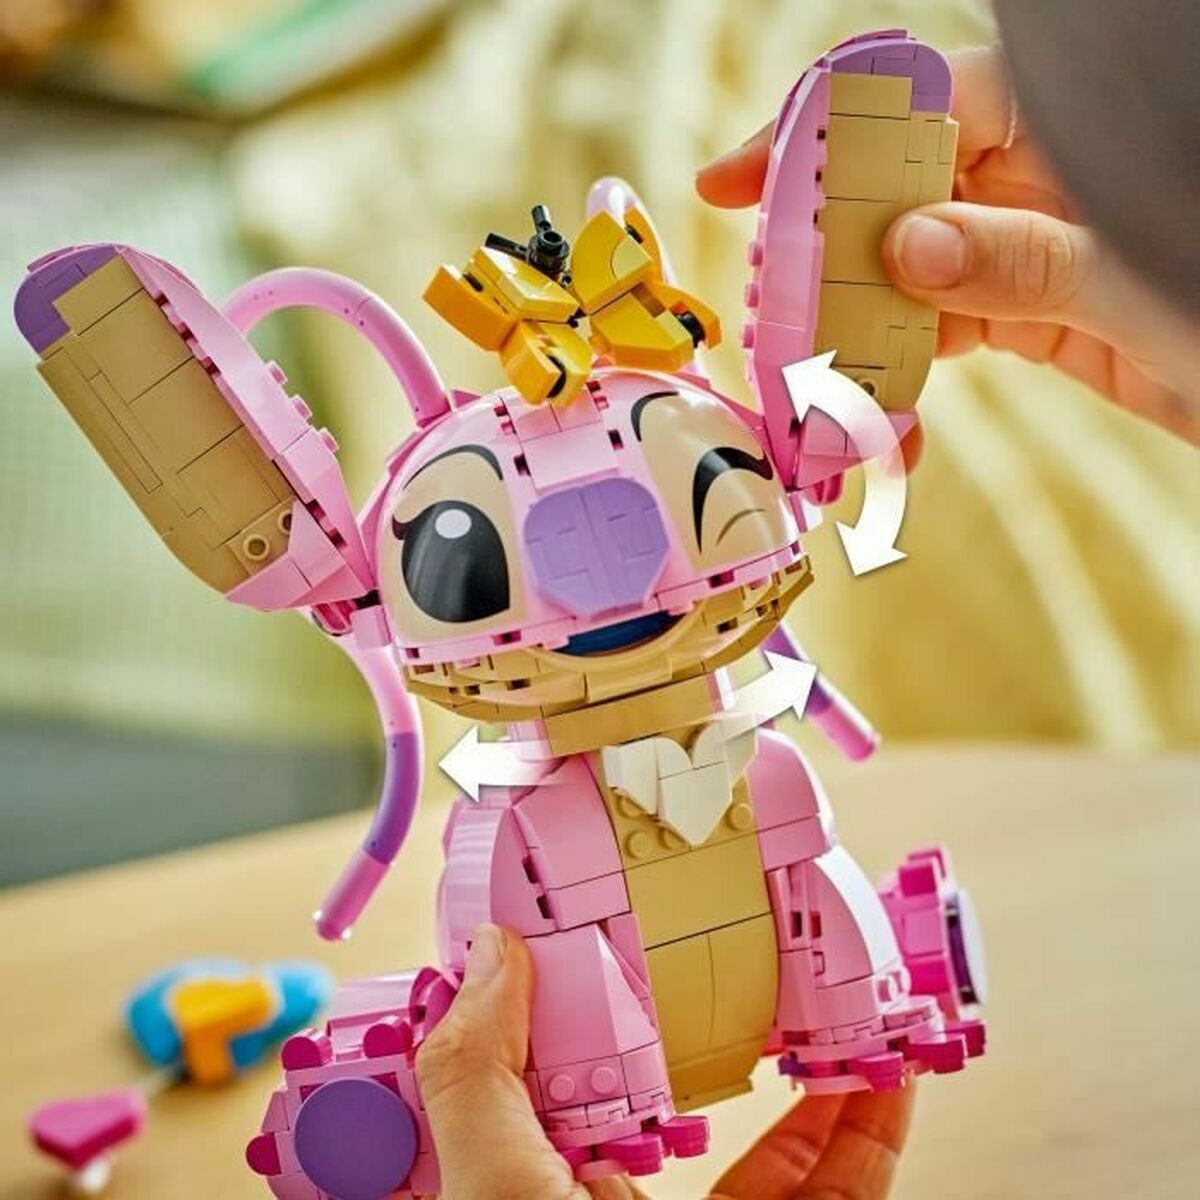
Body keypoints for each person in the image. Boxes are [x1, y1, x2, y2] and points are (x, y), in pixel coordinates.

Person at [413, 17, 1199, 1199]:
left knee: (791, 832)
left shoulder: (766, 771)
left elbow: (809, 889)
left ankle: (849, 1018)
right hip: (591, 1074)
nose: (603, 562)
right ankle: (611, 1090)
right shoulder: (525, 830)